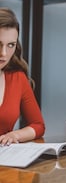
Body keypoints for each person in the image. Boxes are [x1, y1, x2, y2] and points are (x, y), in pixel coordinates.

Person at [0, 8, 45, 145]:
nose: (4, 53)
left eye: (11, 45)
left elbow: (38, 125)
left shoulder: (17, 78)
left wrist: (15, 135)